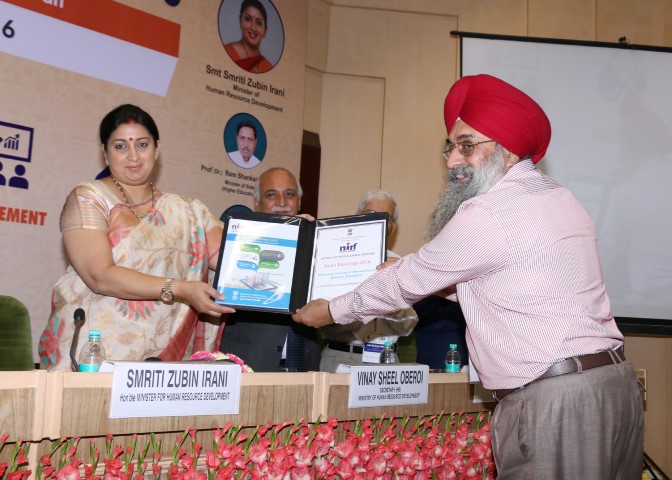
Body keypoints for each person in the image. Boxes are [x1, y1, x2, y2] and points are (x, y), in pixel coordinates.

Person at [293, 74, 643, 478]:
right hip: (615, 388)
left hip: (557, 403)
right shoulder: (561, 198)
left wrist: (330, 311)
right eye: (451, 147)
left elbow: (405, 282)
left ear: (507, 151)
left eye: (467, 146)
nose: (452, 161)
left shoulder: (488, 211)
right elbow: (515, 287)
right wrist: (434, 284)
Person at [39, 104, 233, 370]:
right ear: (105, 152)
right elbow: (100, 276)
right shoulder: (89, 198)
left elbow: (235, 259)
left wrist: (286, 239)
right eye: (120, 146)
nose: (133, 156)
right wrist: (180, 288)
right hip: (93, 350)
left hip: (162, 358)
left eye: (142, 144)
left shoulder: (188, 212)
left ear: (157, 148)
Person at [219, 167, 321, 371]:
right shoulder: (238, 240)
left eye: (289, 194)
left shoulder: (318, 243)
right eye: (271, 195)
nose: (282, 202)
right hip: (249, 359)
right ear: (257, 204)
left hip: (305, 362)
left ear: (299, 202)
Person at [318, 189, 418, 372]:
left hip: (386, 359)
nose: (377, 220)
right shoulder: (334, 259)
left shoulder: (398, 263)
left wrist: (391, 297)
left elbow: (407, 326)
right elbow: (322, 320)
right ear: (357, 217)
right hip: (342, 358)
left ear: (392, 227)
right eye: (370, 214)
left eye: (385, 217)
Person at [224, 0, 273, 74]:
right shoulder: (226, 51)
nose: (253, 28)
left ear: (265, 31)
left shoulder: (267, 67)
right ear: (240, 21)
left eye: (258, 23)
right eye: (248, 19)